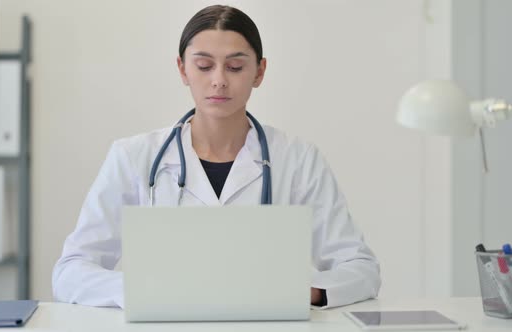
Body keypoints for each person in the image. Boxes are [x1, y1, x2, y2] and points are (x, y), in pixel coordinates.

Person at [52, 4, 381, 308]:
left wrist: (303, 291)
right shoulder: (133, 157)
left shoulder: (297, 159)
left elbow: (361, 269)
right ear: (182, 69)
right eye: (204, 66)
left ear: (259, 72)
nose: (219, 81)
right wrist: (142, 291)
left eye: (236, 66)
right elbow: (70, 272)